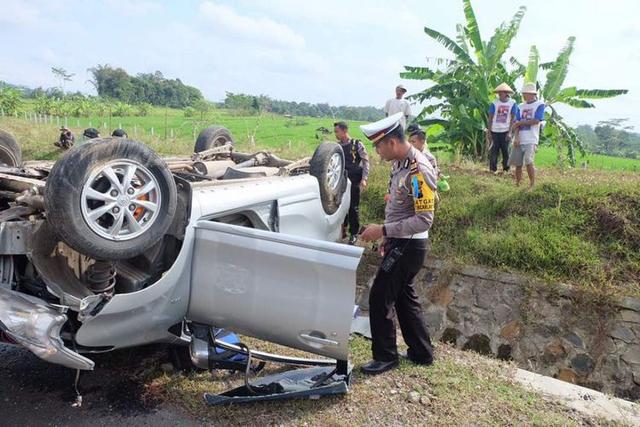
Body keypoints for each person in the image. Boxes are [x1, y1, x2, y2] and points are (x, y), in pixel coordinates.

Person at [358, 112, 436, 375]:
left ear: (391, 142)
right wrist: (388, 236)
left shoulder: (417, 170)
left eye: (379, 146)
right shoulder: (401, 165)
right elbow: (402, 206)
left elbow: (424, 219)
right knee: (404, 297)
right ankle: (421, 352)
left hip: (409, 245)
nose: (377, 153)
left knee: (380, 296)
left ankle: (386, 357)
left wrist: (383, 230)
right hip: (400, 243)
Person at [334, 121, 369, 245]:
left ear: (344, 131)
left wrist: (364, 178)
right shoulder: (336, 147)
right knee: (339, 206)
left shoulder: (357, 144)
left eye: (337, 131)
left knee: (353, 208)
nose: (335, 134)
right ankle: (341, 230)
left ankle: (354, 233)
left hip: (354, 180)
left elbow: (365, 161)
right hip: (341, 181)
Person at [511, 83, 545, 189]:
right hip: (520, 138)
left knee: (528, 161)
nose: (523, 95)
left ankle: (532, 184)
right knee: (518, 163)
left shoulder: (540, 105)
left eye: (525, 93)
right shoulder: (520, 106)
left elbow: (536, 120)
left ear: (531, 94)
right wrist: (516, 137)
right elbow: (516, 123)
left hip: (531, 138)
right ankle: (518, 183)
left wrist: (521, 123)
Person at [487, 83, 519, 174]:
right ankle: (493, 170)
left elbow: (513, 118)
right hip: (494, 130)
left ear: (506, 93)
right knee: (494, 151)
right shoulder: (494, 103)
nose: (499, 94)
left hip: (505, 130)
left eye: (501, 92)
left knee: (506, 151)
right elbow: (490, 118)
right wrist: (489, 131)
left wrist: (509, 132)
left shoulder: (512, 103)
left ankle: (506, 169)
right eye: (499, 92)